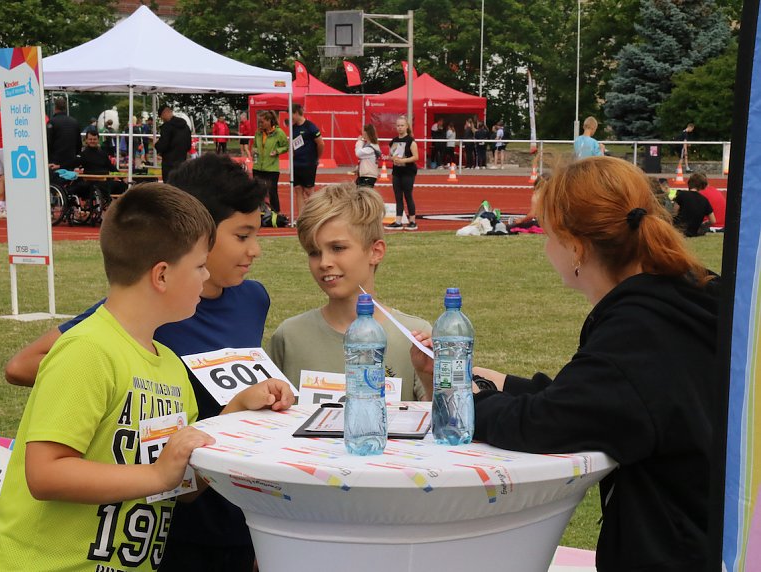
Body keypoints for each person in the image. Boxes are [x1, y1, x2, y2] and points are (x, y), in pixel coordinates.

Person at [413, 155, 718, 571]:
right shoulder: (688, 295)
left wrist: (463, 401)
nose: (545, 246)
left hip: (674, 553)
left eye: (549, 235)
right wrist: (494, 379)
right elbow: (588, 398)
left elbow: (543, 423)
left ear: (576, 247)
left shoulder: (638, 330)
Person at [0, 182, 294, 571]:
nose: (204, 277)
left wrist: (236, 412)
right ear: (161, 276)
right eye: (198, 266)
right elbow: (45, 473)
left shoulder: (168, 366)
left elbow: (181, 488)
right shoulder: (87, 349)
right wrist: (156, 474)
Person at [269, 183, 431, 400]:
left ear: (376, 252)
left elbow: (443, 422)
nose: (324, 262)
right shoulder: (289, 336)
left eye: (338, 248)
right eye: (314, 252)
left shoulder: (414, 335)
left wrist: (429, 378)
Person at [384, 116, 419, 231]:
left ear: (407, 126)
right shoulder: (394, 141)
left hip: (408, 172)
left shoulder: (411, 141)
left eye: (402, 125)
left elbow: (416, 157)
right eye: (398, 125)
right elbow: (391, 155)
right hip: (397, 171)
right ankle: (398, 221)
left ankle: (412, 221)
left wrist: (403, 160)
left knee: (408, 195)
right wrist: (391, 158)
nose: (400, 127)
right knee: (398, 196)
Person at [291, 104, 324, 218]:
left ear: (296, 113)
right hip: (296, 164)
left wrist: (316, 158)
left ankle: (313, 216)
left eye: (291, 113)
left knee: (309, 191)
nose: (290, 117)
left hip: (308, 164)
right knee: (298, 189)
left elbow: (320, 143)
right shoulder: (293, 127)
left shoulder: (310, 127)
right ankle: (301, 217)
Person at [252, 110, 289, 214]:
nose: (260, 124)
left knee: (272, 192)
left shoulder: (279, 133)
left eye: (262, 122)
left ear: (269, 121)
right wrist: (254, 149)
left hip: (271, 168)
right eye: (259, 122)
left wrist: (277, 151)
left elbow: (286, 146)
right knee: (257, 191)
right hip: (257, 167)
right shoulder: (258, 132)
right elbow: (255, 145)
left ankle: (276, 213)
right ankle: (259, 212)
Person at [154, 104, 192, 184]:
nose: (162, 119)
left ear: (164, 113)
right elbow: (188, 145)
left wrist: (156, 144)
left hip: (169, 164)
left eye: (161, 117)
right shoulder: (186, 126)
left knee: (169, 187)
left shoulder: (167, 127)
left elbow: (163, 145)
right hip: (182, 162)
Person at [46, 96, 81, 171]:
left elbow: (48, 143)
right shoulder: (74, 122)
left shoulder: (52, 122)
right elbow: (79, 144)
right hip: (70, 162)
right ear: (65, 108)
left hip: (55, 162)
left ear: (55, 107)